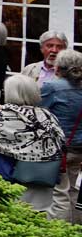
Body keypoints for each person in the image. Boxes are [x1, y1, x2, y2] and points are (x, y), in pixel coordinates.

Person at [0, 75, 64, 214]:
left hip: (9, 183)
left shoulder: (2, 116)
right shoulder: (48, 116)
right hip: (43, 183)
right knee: (38, 224)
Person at [41, 49, 82, 222]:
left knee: (59, 193)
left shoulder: (52, 87)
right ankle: (76, 232)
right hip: (79, 147)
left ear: (58, 68)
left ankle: (60, 233)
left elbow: (39, 112)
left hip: (60, 148)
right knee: (74, 191)